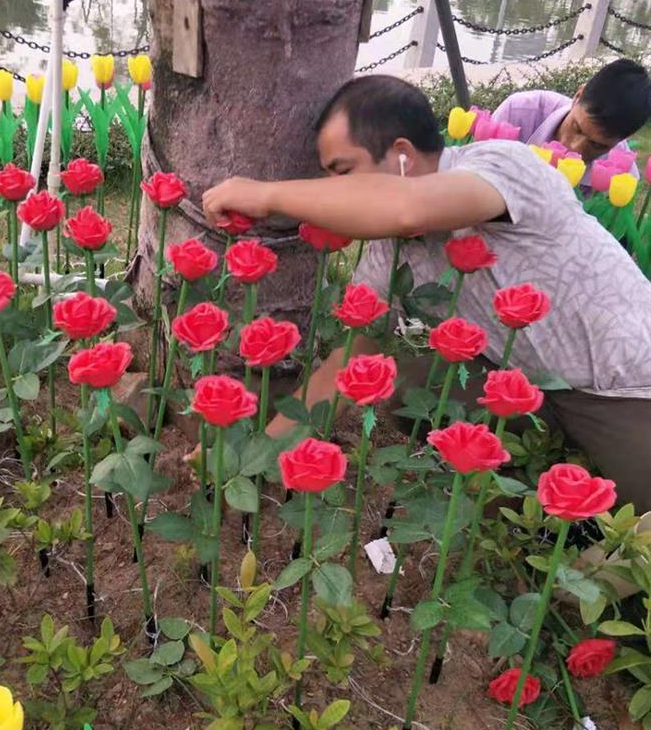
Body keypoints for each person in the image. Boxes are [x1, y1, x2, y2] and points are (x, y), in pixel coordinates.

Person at [201, 74, 651, 511]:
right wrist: (248, 461)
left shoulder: (501, 164)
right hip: (535, 389)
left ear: (401, 155)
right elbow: (347, 363)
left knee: (632, 557)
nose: (335, 193)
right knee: (405, 370)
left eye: (343, 173)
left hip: (627, 384)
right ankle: (523, 513)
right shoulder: (388, 254)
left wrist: (264, 195)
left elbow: (407, 209)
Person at [491, 58, 650, 169]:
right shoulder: (517, 113)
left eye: (596, 145)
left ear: (625, 138)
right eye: (577, 128)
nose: (574, 148)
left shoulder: (620, 170)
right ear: (577, 96)